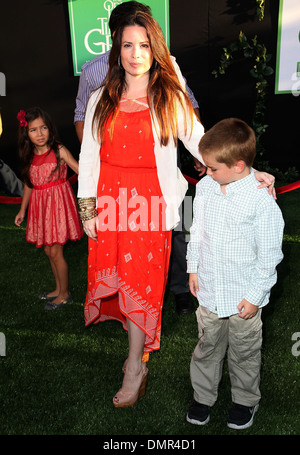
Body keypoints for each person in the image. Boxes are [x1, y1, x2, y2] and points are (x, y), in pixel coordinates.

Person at [77, 10, 206, 408]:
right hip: (111, 204)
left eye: (144, 45)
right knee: (122, 282)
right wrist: (87, 210)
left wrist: (245, 169)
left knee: (141, 285)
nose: (135, 54)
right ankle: (136, 353)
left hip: (149, 207)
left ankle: (135, 364)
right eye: (128, 45)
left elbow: (202, 143)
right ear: (118, 47)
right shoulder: (102, 96)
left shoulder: (170, 96)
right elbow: (90, 155)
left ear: (156, 49)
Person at [186, 118, 284, 430]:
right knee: (207, 347)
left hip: (245, 296)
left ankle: (244, 400)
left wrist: (255, 297)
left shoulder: (261, 201)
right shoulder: (205, 188)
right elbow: (196, 230)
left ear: (239, 165)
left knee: (244, 353)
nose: (206, 172)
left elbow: (270, 255)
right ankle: (203, 396)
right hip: (210, 290)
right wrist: (192, 267)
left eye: (213, 168)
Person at [14, 107, 83, 310]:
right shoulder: (29, 156)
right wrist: (22, 210)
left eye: (43, 127)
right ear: (26, 133)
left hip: (58, 208)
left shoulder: (58, 150)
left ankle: (65, 294)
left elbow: (78, 169)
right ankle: (58, 288)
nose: (40, 134)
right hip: (41, 209)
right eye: (34, 130)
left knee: (56, 252)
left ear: (50, 128)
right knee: (48, 250)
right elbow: (29, 184)